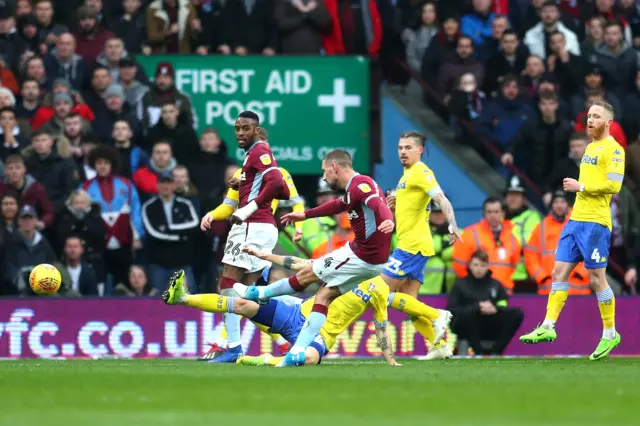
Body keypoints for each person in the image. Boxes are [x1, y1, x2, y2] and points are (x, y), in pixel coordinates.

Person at [235, 149, 394, 367]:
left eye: (324, 171)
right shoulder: (355, 189)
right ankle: (296, 352)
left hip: (362, 255)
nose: (324, 177)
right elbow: (337, 205)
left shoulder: (360, 185)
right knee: (324, 295)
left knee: (309, 272)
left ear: (335, 167)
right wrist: (305, 214)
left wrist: (389, 219)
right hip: (369, 258)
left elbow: (379, 205)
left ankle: (259, 292)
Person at [520, 101, 624, 360]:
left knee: (596, 278)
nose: (590, 120)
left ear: (608, 122)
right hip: (575, 220)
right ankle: (547, 326)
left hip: (596, 223)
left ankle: (610, 333)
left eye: (596, 116)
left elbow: (615, 186)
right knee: (558, 270)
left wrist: (581, 188)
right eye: (589, 116)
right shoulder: (589, 147)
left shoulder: (614, 150)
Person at [164, 251, 398, 366]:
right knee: (241, 302)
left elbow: (381, 327)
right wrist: (265, 255)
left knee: (306, 359)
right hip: (296, 315)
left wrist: (391, 361)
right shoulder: (344, 264)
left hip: (321, 335)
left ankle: (263, 360)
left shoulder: (379, 288)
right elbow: (299, 264)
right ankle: (183, 298)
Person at [198, 111, 287, 363]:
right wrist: (242, 190)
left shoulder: (260, 151)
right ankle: (286, 335)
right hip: (263, 227)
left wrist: (247, 207)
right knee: (248, 294)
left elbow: (279, 183)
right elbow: (234, 200)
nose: (240, 133)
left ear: (257, 131)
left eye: (245, 128)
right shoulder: (248, 163)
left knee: (227, 286)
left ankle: (233, 347)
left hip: (250, 226)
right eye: (237, 128)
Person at [383, 131, 459, 354]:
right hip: (411, 244)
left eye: (408, 147)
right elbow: (416, 205)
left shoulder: (421, 171)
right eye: (400, 148)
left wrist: (452, 223)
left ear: (420, 150)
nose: (403, 152)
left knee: (379, 291)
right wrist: (396, 205)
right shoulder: (407, 174)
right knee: (409, 302)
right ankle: (440, 347)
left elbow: (441, 198)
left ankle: (437, 315)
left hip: (412, 246)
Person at [448, 250, 524, 355]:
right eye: (476, 265)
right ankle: (479, 352)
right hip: (466, 327)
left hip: (489, 323)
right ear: (470, 265)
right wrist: (477, 307)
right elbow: (452, 310)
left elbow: (504, 303)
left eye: (482, 265)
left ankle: (496, 352)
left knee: (517, 313)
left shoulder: (495, 284)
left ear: (487, 266)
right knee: (469, 316)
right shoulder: (460, 285)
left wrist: (495, 309)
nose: (479, 269)